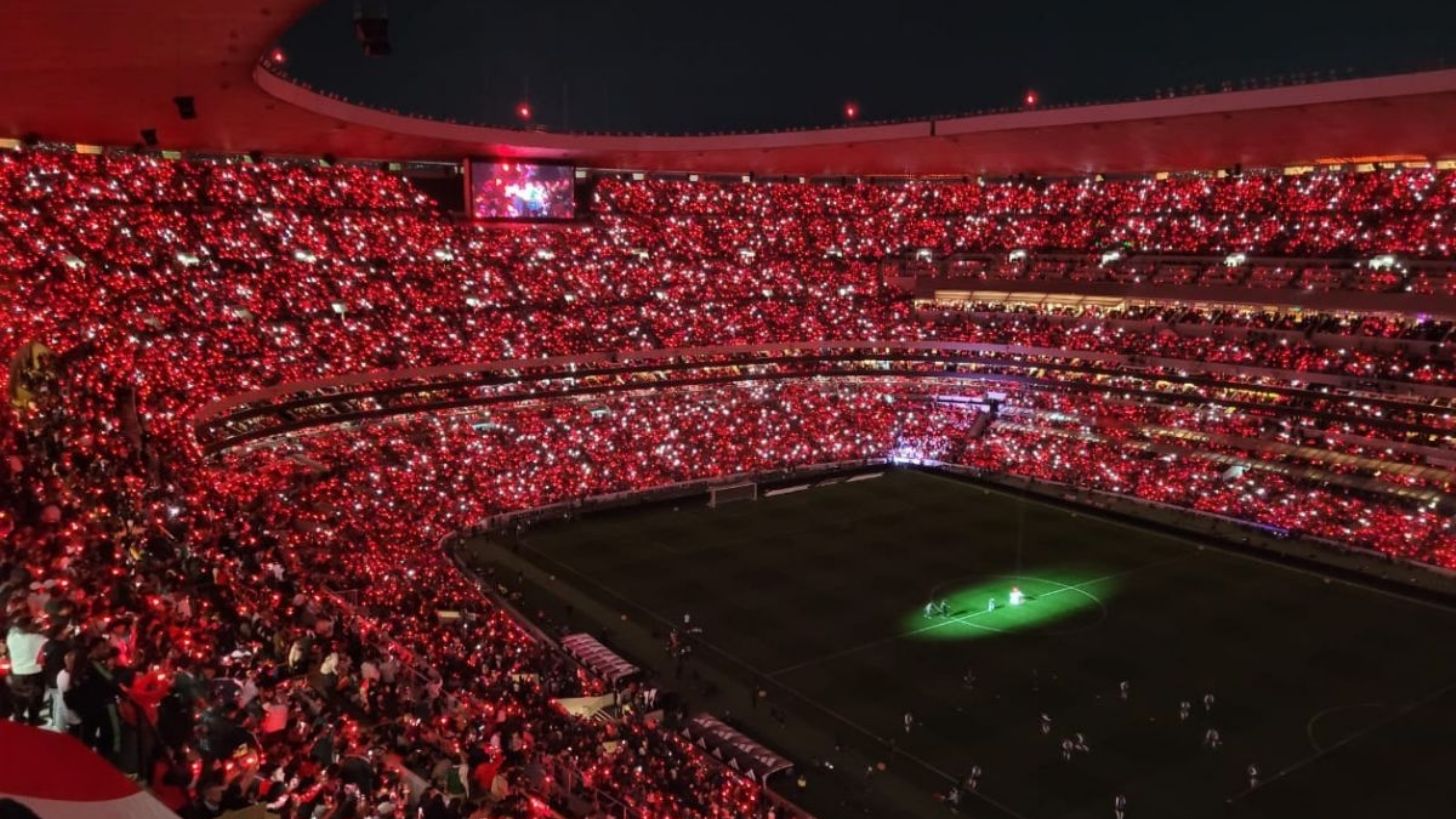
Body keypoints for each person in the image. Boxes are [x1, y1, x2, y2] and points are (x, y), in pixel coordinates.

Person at [5, 615, 49, 726]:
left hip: (16, 673)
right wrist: (40, 628)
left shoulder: (11, 637)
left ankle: (18, 718)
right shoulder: (36, 638)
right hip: (33, 674)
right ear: (29, 626)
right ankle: (33, 720)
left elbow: (13, 628)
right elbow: (48, 638)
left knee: (19, 698)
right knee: (35, 700)